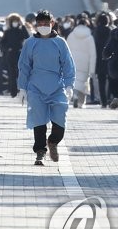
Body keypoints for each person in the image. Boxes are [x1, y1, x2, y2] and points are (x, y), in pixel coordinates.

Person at [18, 10, 75, 166]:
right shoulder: (30, 43)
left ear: (52, 23)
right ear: (36, 25)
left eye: (46, 23)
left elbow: (68, 65)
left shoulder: (60, 43)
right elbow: (24, 66)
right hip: (35, 86)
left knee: (60, 120)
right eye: (40, 24)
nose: (43, 26)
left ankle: (53, 141)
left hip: (56, 86)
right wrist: (22, 88)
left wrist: (69, 84)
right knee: (39, 120)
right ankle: (40, 152)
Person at [66, 15, 97, 109]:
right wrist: (92, 70)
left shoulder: (71, 35)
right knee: (84, 82)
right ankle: (81, 102)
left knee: (74, 80)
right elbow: (93, 54)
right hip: (85, 62)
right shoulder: (89, 37)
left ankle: (74, 95)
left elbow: (66, 49)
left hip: (73, 59)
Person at [0, 13, 30, 97]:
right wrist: (7, 49)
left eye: (16, 21)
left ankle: (21, 90)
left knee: (20, 73)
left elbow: (27, 37)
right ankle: (13, 91)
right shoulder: (8, 31)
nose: (15, 22)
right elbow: (2, 43)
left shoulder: (21, 30)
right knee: (11, 74)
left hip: (20, 53)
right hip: (10, 54)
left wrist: (23, 26)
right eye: (13, 21)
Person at [92, 12, 112, 108]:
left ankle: (103, 102)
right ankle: (109, 99)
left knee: (101, 81)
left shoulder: (95, 31)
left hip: (98, 58)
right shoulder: (110, 30)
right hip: (109, 58)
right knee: (111, 80)